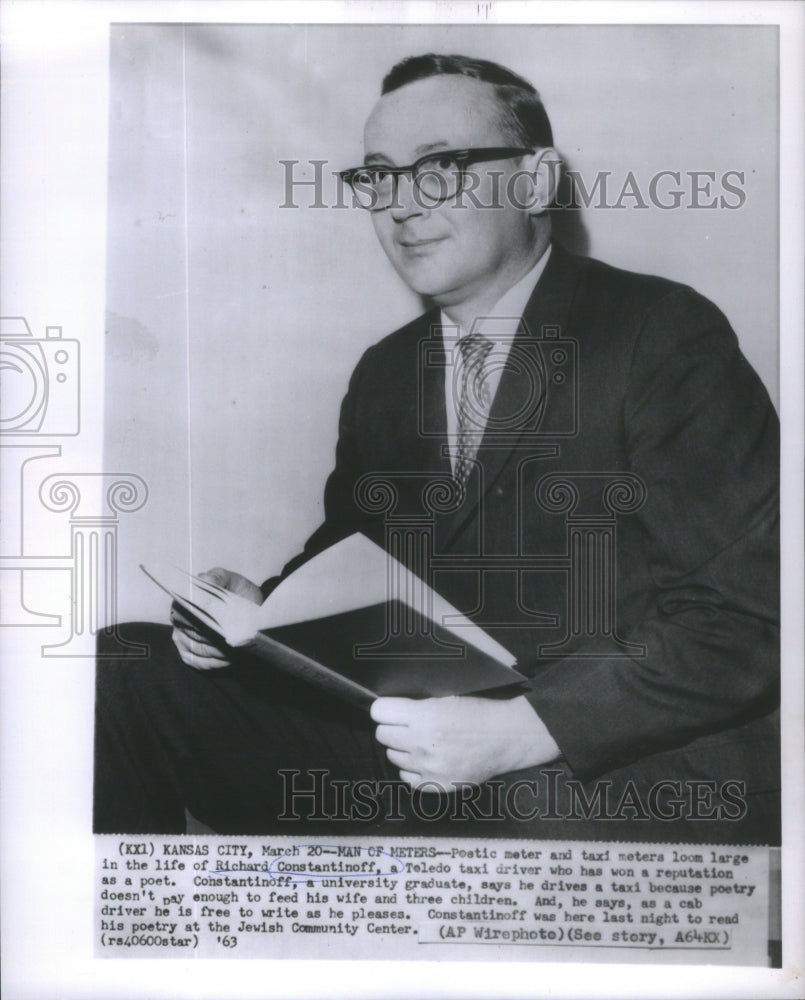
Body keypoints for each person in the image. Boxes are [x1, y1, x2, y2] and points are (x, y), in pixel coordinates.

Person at [94, 54, 779, 843]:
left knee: (523, 814)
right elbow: (352, 562)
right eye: (380, 178)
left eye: (440, 168)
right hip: (420, 748)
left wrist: (519, 732)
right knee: (129, 667)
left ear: (535, 181)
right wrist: (254, 616)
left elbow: (747, 618)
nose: (401, 208)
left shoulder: (659, 333)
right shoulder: (387, 371)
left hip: (600, 760)